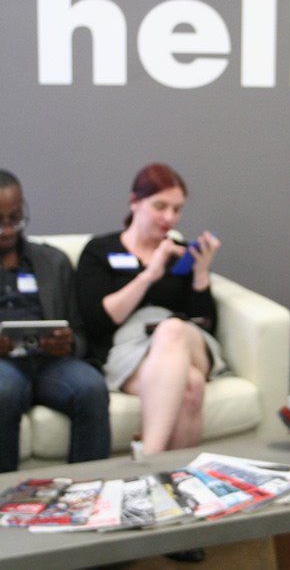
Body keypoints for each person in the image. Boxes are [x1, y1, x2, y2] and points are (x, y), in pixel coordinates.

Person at [76, 163, 223, 457]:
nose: (170, 218)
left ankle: (148, 459)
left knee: (172, 329)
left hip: (184, 337)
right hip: (128, 347)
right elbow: (97, 321)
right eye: (160, 206)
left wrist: (200, 275)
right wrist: (148, 275)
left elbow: (204, 325)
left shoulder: (179, 251)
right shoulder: (99, 249)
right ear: (134, 202)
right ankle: (175, 484)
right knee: (191, 386)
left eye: (177, 209)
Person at [0, 170, 110, 472]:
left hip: (50, 362)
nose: (8, 230)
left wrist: (69, 342)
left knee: (91, 387)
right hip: (4, 366)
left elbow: (81, 330)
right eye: (0, 221)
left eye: (16, 218)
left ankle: (87, 495)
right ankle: (6, 501)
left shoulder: (54, 262)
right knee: (3, 391)